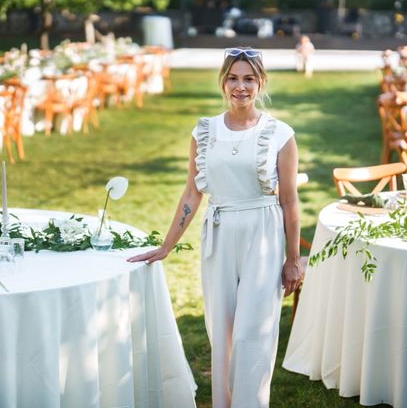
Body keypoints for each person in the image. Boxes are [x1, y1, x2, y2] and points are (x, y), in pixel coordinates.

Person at [128, 47, 303, 407]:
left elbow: (289, 201)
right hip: (220, 233)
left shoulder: (280, 134)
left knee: (253, 333)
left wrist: (293, 259)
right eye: (233, 78)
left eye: (249, 79)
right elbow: (193, 192)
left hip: (264, 235)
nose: (241, 86)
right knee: (220, 332)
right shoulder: (205, 131)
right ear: (223, 82)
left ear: (261, 83)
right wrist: (167, 246)